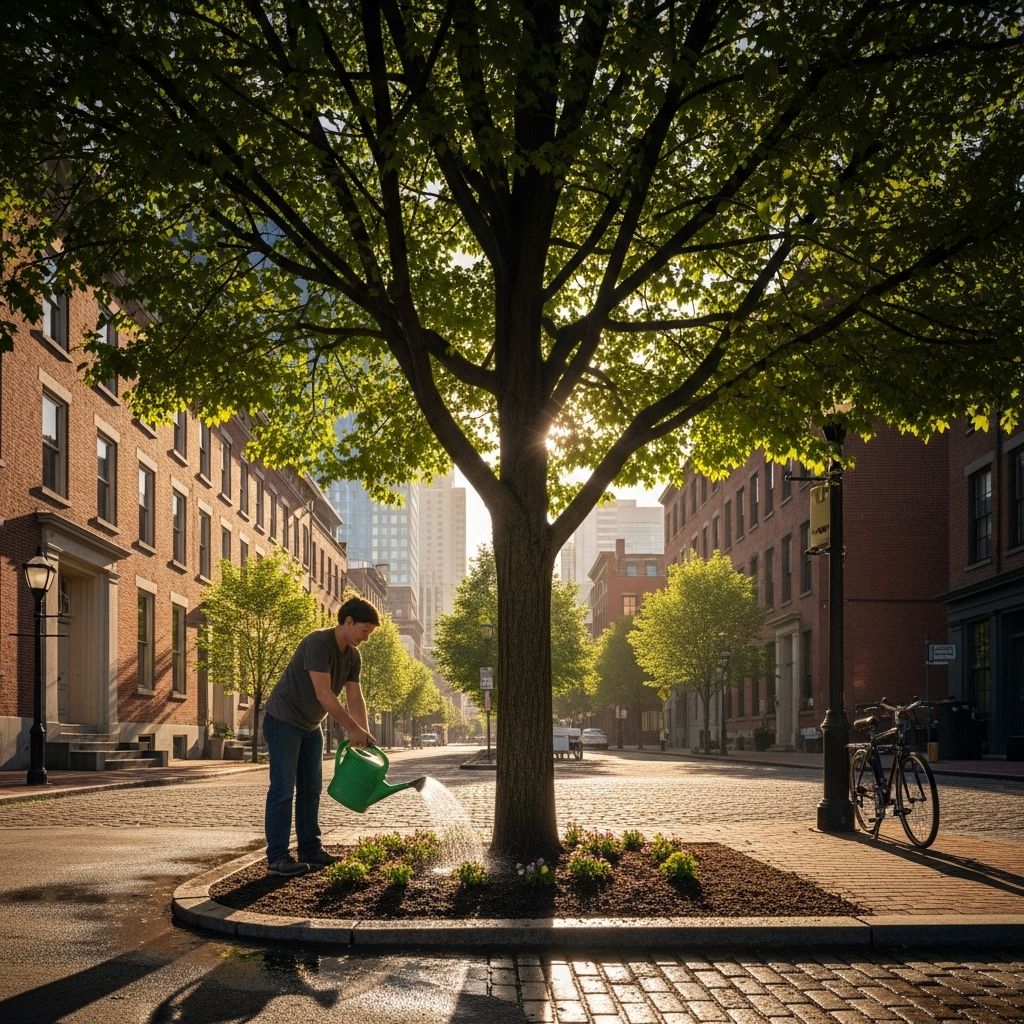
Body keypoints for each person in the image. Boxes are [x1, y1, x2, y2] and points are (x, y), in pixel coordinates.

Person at [262, 597, 379, 876]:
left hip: (311, 726)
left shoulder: (353, 656)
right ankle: (277, 858)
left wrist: (363, 733)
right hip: (283, 721)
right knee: (282, 789)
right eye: (364, 631)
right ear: (348, 621)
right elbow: (323, 693)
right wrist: (351, 729)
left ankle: (310, 850)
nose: (366, 638)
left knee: (311, 789)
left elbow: (354, 696)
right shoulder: (318, 643)